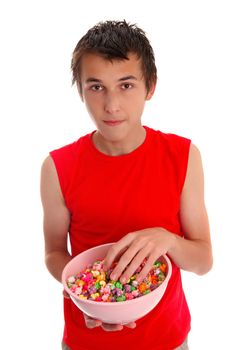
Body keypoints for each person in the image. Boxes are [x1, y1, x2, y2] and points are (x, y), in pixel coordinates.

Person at [40, 20, 213, 350]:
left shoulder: (184, 156)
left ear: (150, 87)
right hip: (85, 338)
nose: (112, 105)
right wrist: (83, 290)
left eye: (126, 85)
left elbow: (203, 260)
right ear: (80, 90)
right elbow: (54, 253)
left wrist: (168, 240)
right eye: (96, 86)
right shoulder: (57, 167)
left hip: (167, 339)